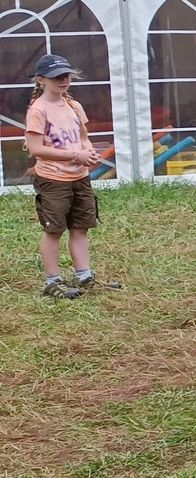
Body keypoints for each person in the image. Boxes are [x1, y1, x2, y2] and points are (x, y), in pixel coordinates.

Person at [23, 53, 107, 299]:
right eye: (57, 77)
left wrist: (88, 152)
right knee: (54, 230)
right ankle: (52, 282)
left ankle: (84, 276)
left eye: (66, 75)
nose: (64, 80)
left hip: (79, 177)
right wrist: (75, 155)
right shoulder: (38, 110)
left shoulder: (74, 106)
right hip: (53, 180)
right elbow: (36, 149)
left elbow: (83, 137)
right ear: (40, 80)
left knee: (80, 227)